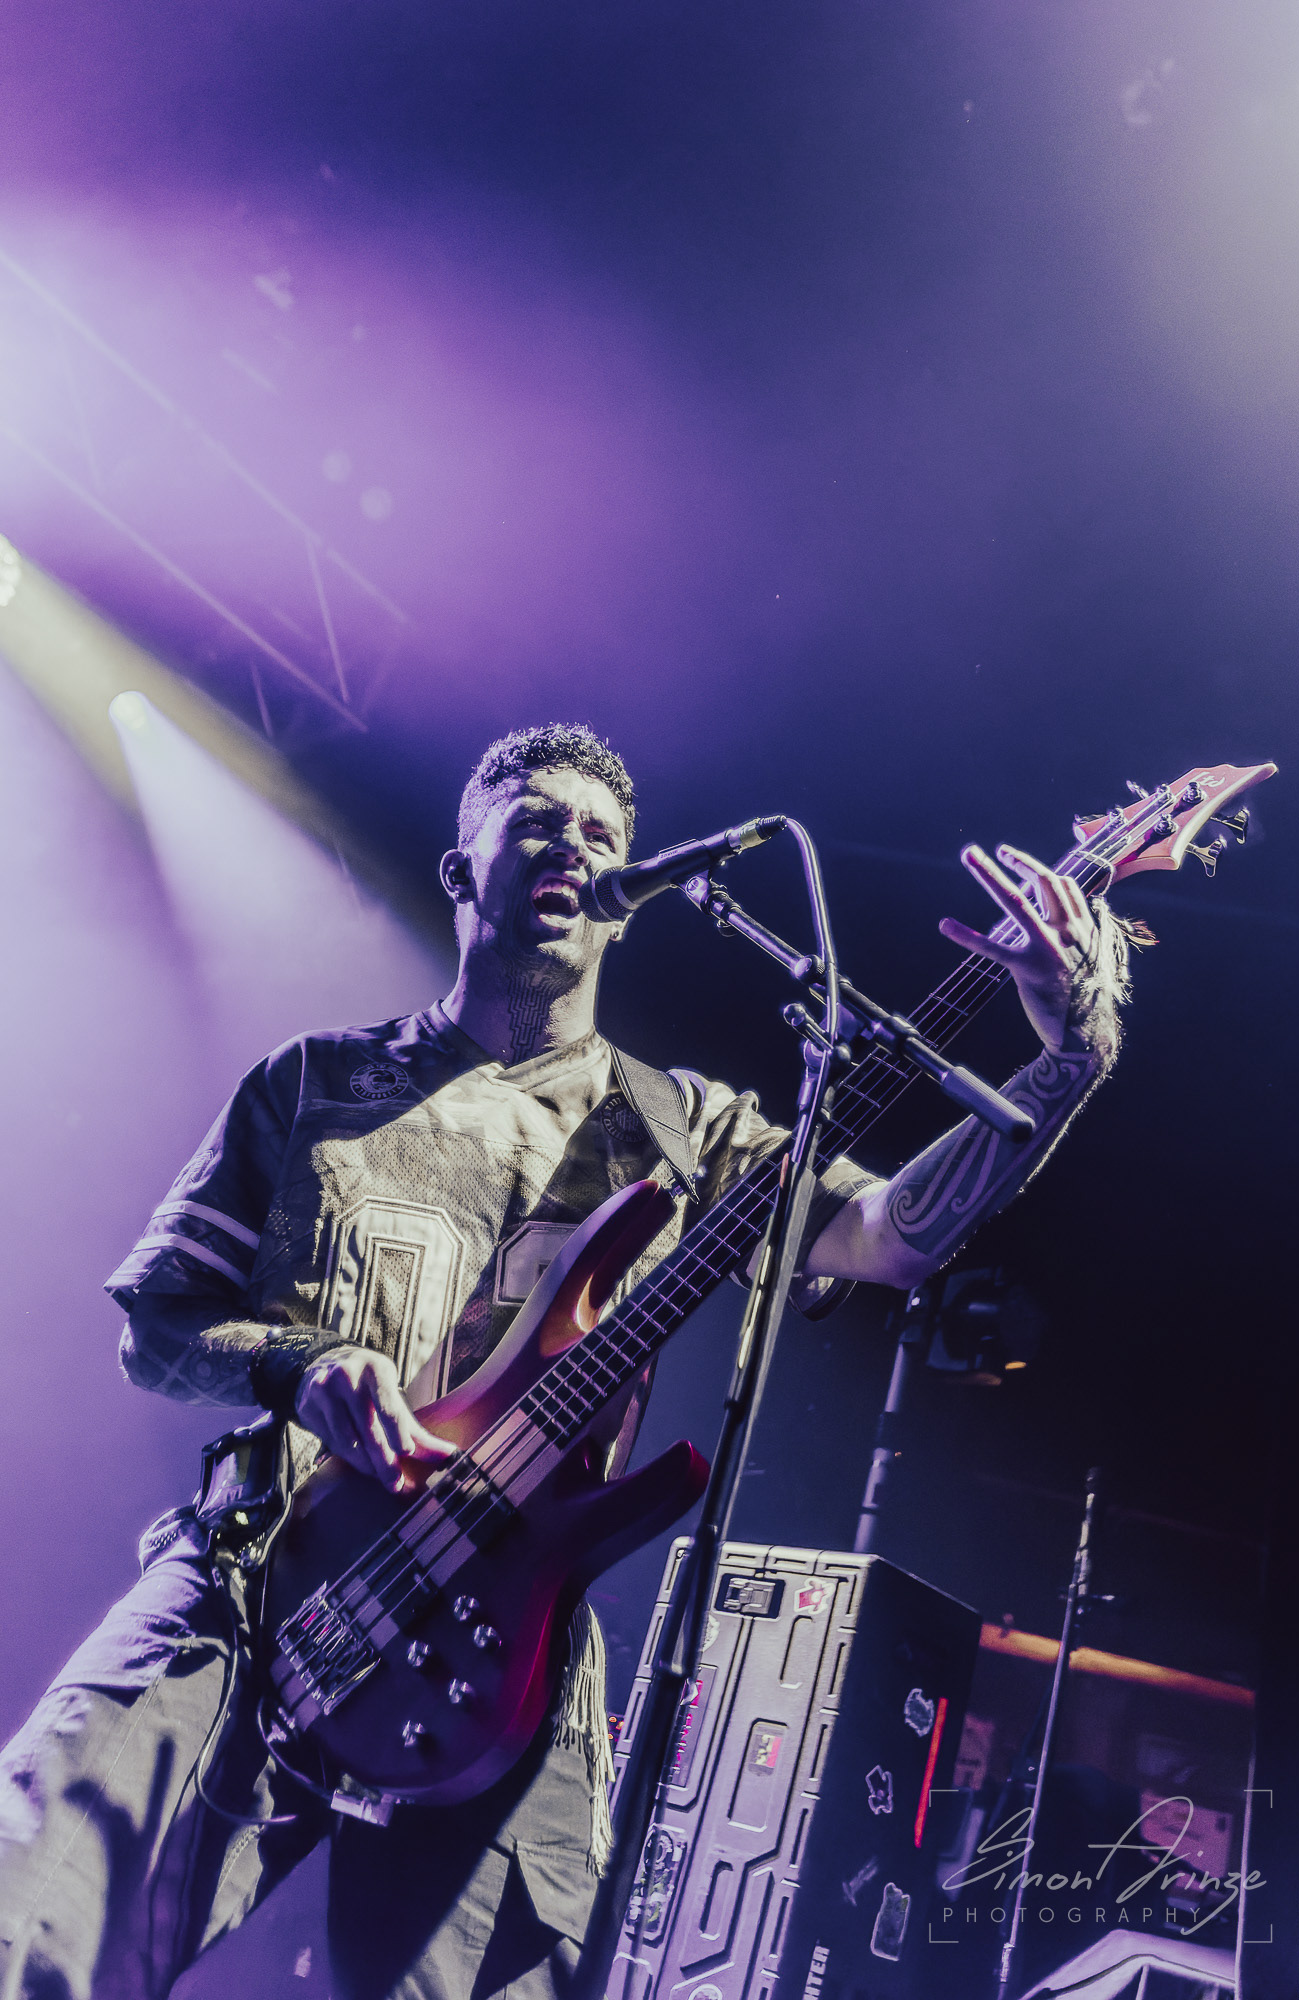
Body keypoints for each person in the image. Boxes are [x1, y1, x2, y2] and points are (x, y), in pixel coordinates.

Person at [0, 723, 1130, 2000]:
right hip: (263, 1583)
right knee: (28, 1911)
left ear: (629, 900)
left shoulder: (681, 1123)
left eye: (602, 836)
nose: (574, 847)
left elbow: (888, 1235)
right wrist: (307, 1362)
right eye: (539, 821)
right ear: (459, 867)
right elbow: (155, 1321)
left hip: (505, 1643)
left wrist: (1068, 1057)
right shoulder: (314, 1083)